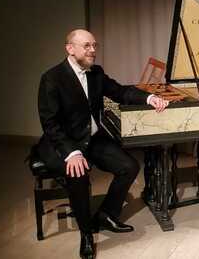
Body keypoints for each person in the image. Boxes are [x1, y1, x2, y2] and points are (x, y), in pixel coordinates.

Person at [37, 29, 169, 259]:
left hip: (92, 138)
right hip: (65, 143)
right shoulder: (52, 78)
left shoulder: (96, 73)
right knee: (78, 174)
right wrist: (71, 153)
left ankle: (106, 214)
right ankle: (86, 234)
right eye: (87, 46)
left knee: (129, 166)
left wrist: (149, 98)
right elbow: (50, 124)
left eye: (94, 46)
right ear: (70, 49)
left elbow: (120, 91)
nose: (93, 51)